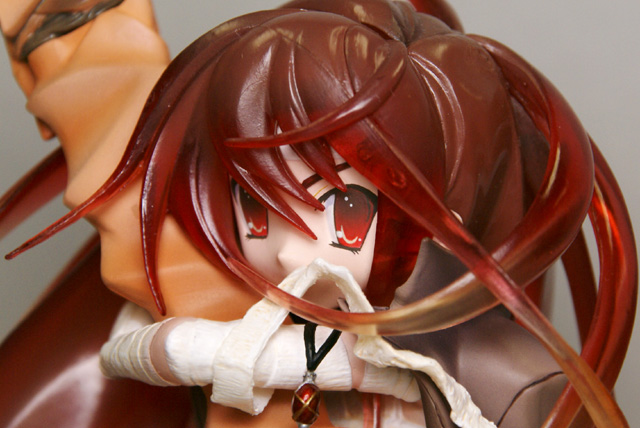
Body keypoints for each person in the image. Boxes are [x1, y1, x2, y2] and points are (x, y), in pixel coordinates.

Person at [0, 0, 636, 427]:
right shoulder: (204, 273)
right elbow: (149, 348)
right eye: (255, 205)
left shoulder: (488, 367)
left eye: (347, 211)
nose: (287, 251)